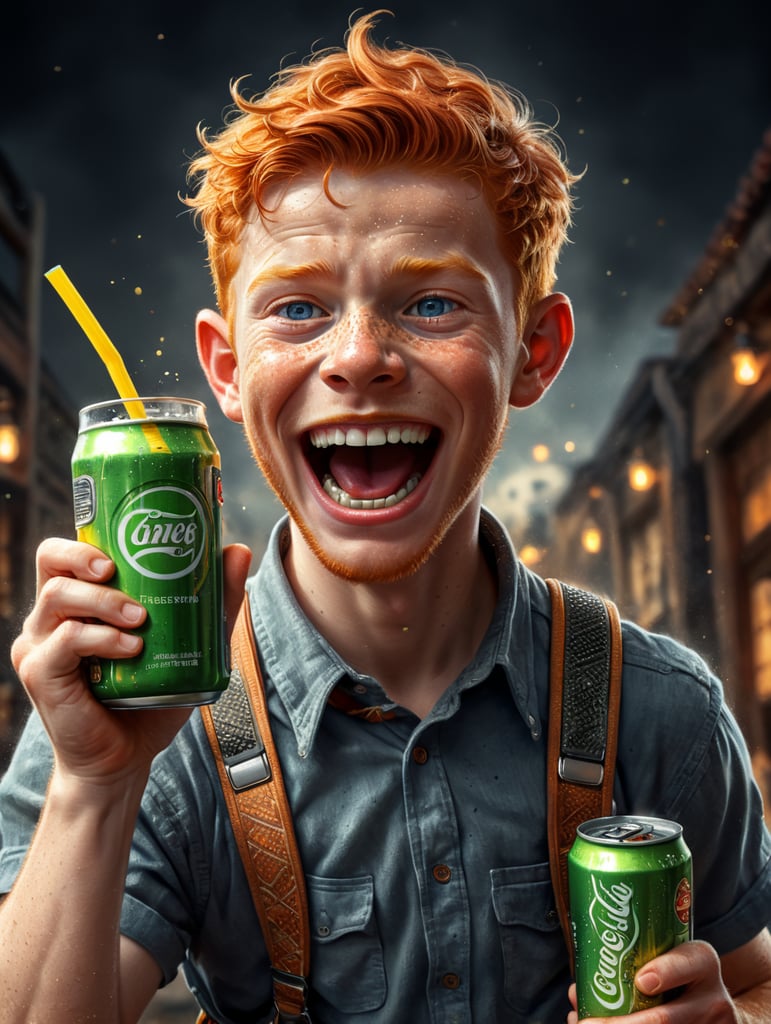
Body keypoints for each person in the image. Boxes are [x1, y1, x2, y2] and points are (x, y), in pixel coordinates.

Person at [1, 10, 770, 1023]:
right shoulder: (130, 715)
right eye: (298, 308)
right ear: (227, 370)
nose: (359, 356)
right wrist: (94, 788)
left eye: (434, 304)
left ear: (537, 351)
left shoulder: (661, 707)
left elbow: (755, 974)